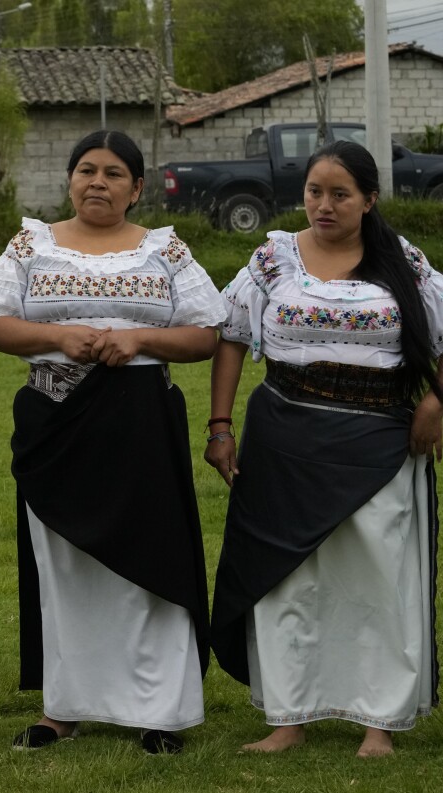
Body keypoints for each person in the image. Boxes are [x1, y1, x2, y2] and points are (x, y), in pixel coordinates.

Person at [0, 130, 224, 755]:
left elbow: (206, 333)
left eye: (114, 174)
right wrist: (59, 337)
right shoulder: (32, 243)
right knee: (64, 565)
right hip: (56, 420)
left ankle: (160, 711)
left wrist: (139, 340)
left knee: (149, 559)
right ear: (69, 179)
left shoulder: (164, 251)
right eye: (86, 170)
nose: (97, 183)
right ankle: (63, 708)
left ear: (137, 189)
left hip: (140, 420)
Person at [206, 140, 442, 758]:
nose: (324, 205)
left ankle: (378, 724)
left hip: (377, 442)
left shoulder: (403, 263)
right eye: (315, 191)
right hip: (284, 439)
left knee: (377, 578)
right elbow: (231, 332)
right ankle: (289, 717)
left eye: (340, 194)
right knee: (289, 581)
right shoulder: (274, 257)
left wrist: (436, 401)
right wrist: (221, 426)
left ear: (368, 200)